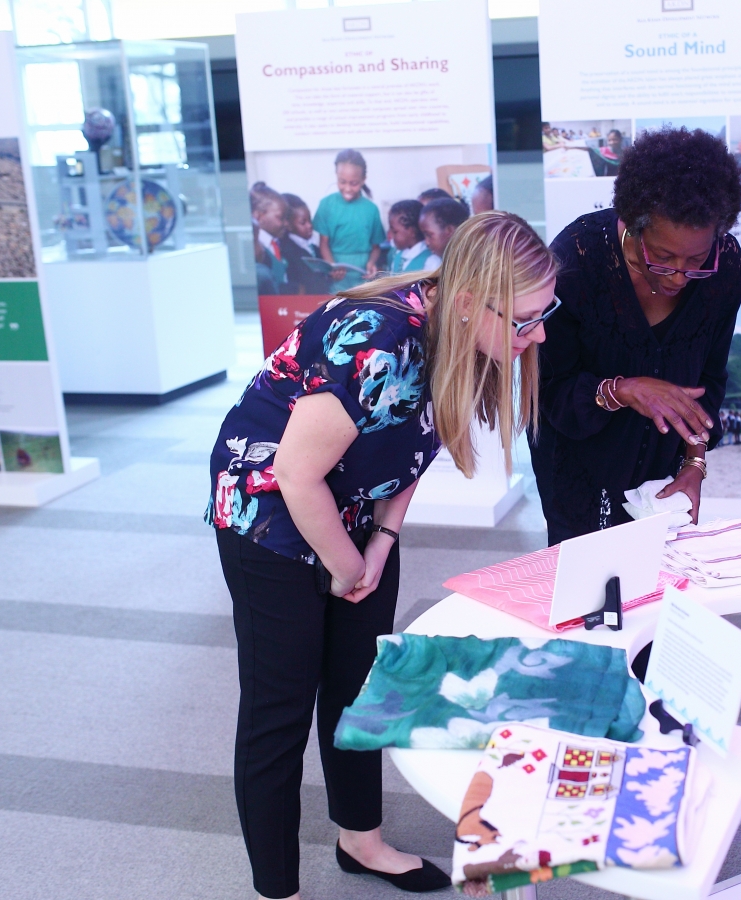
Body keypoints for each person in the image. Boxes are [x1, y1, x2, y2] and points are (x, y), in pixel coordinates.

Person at [208, 211, 559, 900]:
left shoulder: (461, 338)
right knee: (279, 705)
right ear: (467, 302)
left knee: (359, 686)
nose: (538, 333)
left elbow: (412, 449)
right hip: (269, 513)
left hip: (354, 511)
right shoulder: (379, 340)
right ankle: (277, 887)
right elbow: (295, 476)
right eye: (524, 320)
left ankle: (359, 841)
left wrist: (383, 542)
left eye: (545, 314)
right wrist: (346, 564)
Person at [531, 127, 741, 544]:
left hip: (661, 479)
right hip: (578, 468)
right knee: (591, 596)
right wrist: (624, 389)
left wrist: (693, 467)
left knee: (659, 589)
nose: (681, 277)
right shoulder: (577, 261)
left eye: (696, 260)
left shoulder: (726, 268)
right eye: (663, 258)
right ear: (632, 225)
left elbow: (709, 384)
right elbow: (548, 393)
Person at [315, 149, 386, 293]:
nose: (347, 188)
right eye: (342, 182)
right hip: (337, 278)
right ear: (336, 176)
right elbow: (323, 244)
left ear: (363, 179)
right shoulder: (326, 205)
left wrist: (372, 263)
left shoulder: (371, 209)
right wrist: (332, 266)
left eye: (353, 183)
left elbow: (376, 248)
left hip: (364, 279)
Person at [251, 183, 290, 295]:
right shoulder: (258, 249)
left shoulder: (279, 242)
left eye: (286, 218)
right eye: (280, 218)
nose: (286, 223)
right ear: (258, 216)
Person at [419, 197, 468, 270]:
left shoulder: (468, 264)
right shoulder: (445, 262)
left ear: (450, 230)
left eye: (429, 235)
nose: (426, 242)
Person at [385, 199, 433, 273]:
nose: (391, 236)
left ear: (412, 232)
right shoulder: (398, 256)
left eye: (395, 232)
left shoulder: (430, 261)